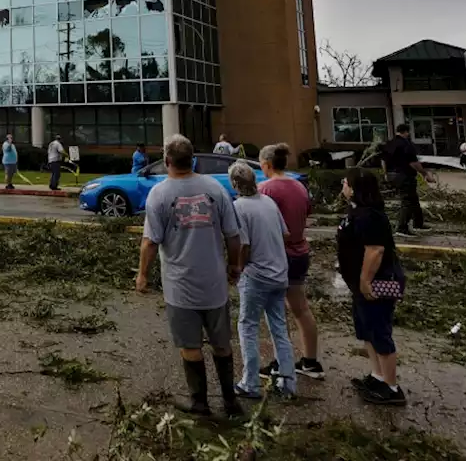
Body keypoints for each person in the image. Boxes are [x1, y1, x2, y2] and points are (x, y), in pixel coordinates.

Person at [135, 134, 244, 418]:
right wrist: (235, 266)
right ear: (193, 159)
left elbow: (150, 241)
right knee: (222, 344)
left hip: (180, 286)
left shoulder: (159, 194)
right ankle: (231, 402)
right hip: (215, 284)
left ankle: (200, 403)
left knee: (189, 345)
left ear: (167, 161)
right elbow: (233, 235)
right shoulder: (215, 189)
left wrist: (142, 275)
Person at [338, 168, 406, 406]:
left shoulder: (370, 216)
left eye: (346, 183)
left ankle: (391, 386)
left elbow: (375, 250)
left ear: (355, 188)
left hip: (377, 281)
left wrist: (365, 280)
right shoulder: (356, 211)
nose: (343, 186)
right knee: (366, 330)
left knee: (379, 331)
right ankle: (377, 376)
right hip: (359, 284)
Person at [228, 162, 296, 399]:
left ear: (235, 184)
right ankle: (287, 383)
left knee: (247, 327)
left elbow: (243, 245)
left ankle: (250, 383)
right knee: (279, 328)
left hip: (256, 276)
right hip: (280, 274)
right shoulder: (269, 202)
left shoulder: (238, 208)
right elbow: (286, 234)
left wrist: (238, 268)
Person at [257, 143, 324, 380]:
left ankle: (280, 363)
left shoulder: (265, 189)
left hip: (277, 255)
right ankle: (310, 361)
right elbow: (306, 213)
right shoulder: (299, 186)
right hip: (300, 253)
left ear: (266, 165)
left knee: (276, 311)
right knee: (301, 309)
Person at [382, 123, 436, 236]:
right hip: (404, 175)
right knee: (407, 201)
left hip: (392, 175)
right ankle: (401, 228)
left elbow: (383, 160)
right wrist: (425, 174)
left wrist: (385, 174)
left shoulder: (389, 143)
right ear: (406, 132)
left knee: (413, 199)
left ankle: (418, 223)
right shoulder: (406, 144)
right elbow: (413, 163)